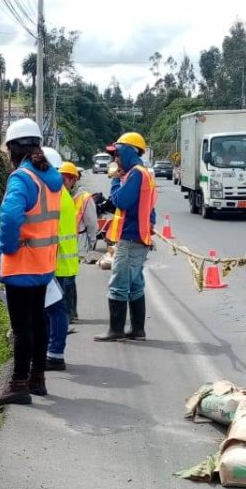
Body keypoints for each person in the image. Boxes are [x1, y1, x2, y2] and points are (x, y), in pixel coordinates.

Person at [0, 118, 63, 406]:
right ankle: (38, 378)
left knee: (22, 327)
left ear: (13, 149)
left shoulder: (21, 178)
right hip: (43, 264)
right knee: (39, 321)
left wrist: (7, 249)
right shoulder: (50, 177)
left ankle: (18, 384)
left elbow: (9, 219)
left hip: (21, 264)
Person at [95, 131, 157, 343]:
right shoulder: (144, 173)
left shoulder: (135, 174)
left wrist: (115, 179)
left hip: (130, 239)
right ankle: (137, 330)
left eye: (118, 154)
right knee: (135, 284)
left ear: (129, 151)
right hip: (138, 237)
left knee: (119, 284)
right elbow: (150, 210)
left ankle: (116, 330)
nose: (116, 159)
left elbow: (121, 201)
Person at [41, 148, 75, 371]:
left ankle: (54, 354)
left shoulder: (52, 194)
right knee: (54, 310)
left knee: (54, 310)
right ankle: (52, 352)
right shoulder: (61, 192)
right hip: (61, 261)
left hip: (54, 261)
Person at [60, 160, 99, 318]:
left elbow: (92, 223)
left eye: (64, 180)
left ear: (73, 179)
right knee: (66, 279)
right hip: (64, 244)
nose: (62, 184)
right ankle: (70, 311)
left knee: (68, 279)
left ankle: (70, 312)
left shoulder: (84, 198)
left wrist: (92, 241)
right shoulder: (61, 195)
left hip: (78, 243)